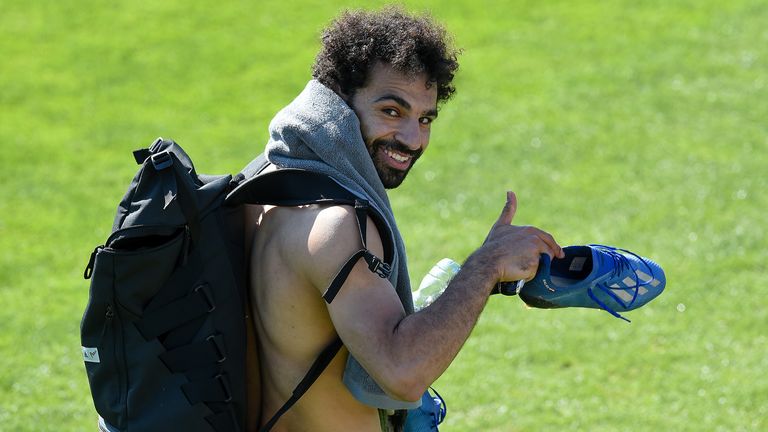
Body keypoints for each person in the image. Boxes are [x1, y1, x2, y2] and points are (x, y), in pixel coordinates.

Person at [246, 7, 564, 432]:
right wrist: (485, 266)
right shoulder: (339, 226)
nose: (413, 140)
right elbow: (402, 372)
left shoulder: (262, 186)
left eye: (425, 118)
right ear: (339, 99)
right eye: (392, 111)